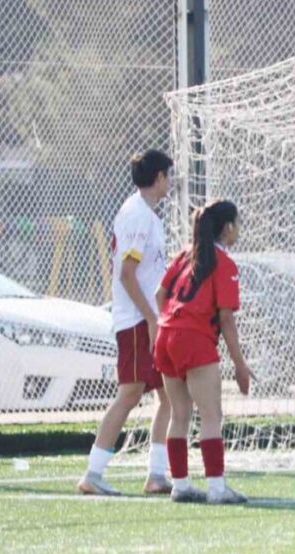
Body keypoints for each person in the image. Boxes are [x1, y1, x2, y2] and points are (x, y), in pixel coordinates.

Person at [77, 150, 174, 497]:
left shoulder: (149, 215)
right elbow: (128, 275)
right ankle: (93, 472)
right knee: (130, 393)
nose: (170, 182)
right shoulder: (137, 215)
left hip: (150, 319)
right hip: (135, 321)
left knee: (171, 396)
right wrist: (150, 318)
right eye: (168, 175)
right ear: (159, 177)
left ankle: (157, 474)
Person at [154, 200, 251, 504]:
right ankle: (216, 488)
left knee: (180, 414)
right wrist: (240, 364)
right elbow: (226, 319)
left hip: (166, 334)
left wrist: (174, 323)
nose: (240, 228)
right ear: (227, 228)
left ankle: (180, 485)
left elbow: (160, 294)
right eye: (238, 222)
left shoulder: (185, 254)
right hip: (193, 338)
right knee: (211, 415)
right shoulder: (225, 264)